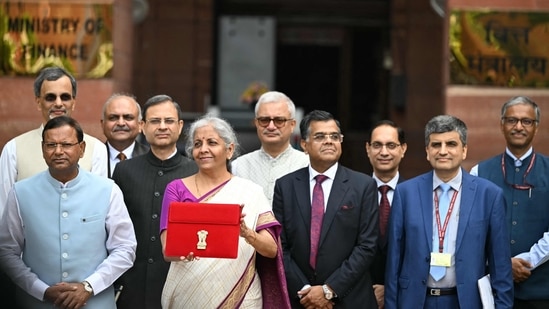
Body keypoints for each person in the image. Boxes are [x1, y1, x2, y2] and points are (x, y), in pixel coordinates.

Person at [0, 116, 136, 309]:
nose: (58, 151)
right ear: (43, 149)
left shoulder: (108, 190)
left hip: (95, 302)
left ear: (81, 149)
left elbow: (125, 248)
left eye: (66, 144)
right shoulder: (20, 192)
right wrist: (41, 290)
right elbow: (6, 251)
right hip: (35, 302)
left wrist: (89, 286)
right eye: (51, 145)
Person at [0, 66, 108, 308]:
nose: (58, 103)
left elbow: (101, 220)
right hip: (30, 286)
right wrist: (33, 284)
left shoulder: (95, 149)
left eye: (65, 96)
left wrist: (88, 286)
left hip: (87, 290)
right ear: (38, 101)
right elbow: (5, 221)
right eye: (50, 97)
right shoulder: (13, 149)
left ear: (74, 102)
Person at [159, 114, 290, 309]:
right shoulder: (176, 189)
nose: (203, 149)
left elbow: (271, 250)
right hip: (188, 294)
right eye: (197, 144)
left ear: (229, 150)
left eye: (212, 142)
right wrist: (182, 253)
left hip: (241, 297)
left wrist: (247, 234)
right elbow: (167, 250)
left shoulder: (250, 191)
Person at [385, 115, 513, 309]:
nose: (443, 151)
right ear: (427, 151)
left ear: (464, 150)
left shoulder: (489, 195)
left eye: (451, 144)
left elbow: (501, 265)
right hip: (415, 301)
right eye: (436, 145)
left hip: (466, 302)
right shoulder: (406, 193)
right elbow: (394, 260)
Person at [273, 110, 379, 308]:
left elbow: (367, 246)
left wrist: (329, 290)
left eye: (335, 136)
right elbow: (280, 247)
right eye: (320, 136)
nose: (329, 141)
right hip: (301, 300)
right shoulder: (285, 186)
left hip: (350, 298)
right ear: (304, 144)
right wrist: (306, 291)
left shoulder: (363, 186)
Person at [111, 94, 198, 309]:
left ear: (180, 126)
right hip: (131, 283)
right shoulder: (124, 170)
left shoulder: (195, 171)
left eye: (169, 121)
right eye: (155, 121)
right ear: (142, 126)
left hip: (181, 283)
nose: (162, 127)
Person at [471, 96, 549, 308]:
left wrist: (528, 261)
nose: (519, 127)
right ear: (502, 124)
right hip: (492, 290)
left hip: (541, 291)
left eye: (526, 121)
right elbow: (473, 230)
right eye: (512, 120)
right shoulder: (479, 172)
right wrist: (502, 265)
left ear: (536, 127)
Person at [232, 91, 309, 204]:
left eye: (279, 120)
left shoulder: (307, 165)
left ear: (292, 125)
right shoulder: (238, 166)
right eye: (264, 120)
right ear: (256, 123)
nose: (271, 127)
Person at [365, 120, 407, 309]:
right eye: (377, 145)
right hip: (359, 296)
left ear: (403, 149)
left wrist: (390, 288)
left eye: (391, 145)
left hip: (403, 297)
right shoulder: (352, 193)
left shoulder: (416, 195)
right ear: (368, 149)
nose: (383, 152)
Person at [101, 93, 149, 177]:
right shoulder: (91, 158)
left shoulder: (152, 158)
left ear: (140, 125)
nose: (121, 123)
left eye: (128, 117)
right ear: (103, 125)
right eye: (113, 117)